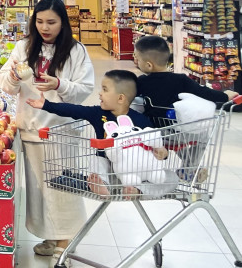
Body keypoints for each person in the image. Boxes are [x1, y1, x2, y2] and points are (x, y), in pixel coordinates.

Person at [0, 0, 94, 268]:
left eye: (51, 22)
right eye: (40, 21)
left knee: (63, 189)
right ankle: (52, 237)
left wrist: (59, 84)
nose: (45, 27)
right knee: (40, 191)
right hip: (30, 127)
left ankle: (64, 243)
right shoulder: (24, 47)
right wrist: (14, 77)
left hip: (61, 130)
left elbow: (85, 88)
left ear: (63, 22)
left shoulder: (75, 51)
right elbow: (5, 85)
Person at [26, 70, 159, 198]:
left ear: (120, 98)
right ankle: (102, 185)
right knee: (97, 160)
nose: (100, 93)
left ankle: (136, 190)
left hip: (132, 168)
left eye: (105, 90)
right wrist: (47, 105)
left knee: (162, 180)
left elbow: (155, 140)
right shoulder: (98, 113)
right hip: (108, 168)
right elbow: (74, 110)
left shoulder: (141, 121)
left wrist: (161, 153)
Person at [133, 35, 238, 119]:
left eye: (138, 59)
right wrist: (225, 96)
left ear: (149, 65)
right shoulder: (181, 80)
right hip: (178, 126)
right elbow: (204, 92)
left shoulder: (142, 81)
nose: (136, 61)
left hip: (151, 125)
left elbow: (128, 94)